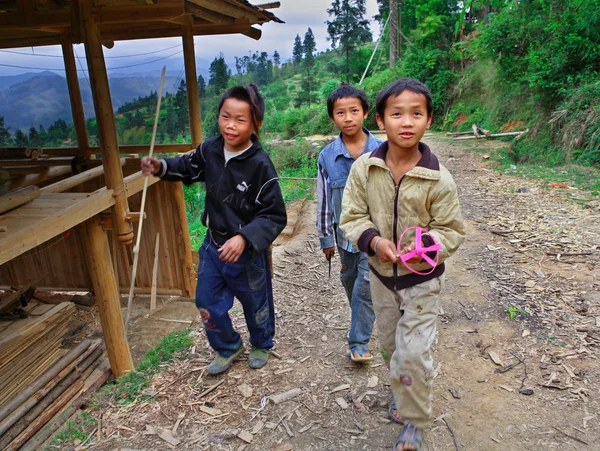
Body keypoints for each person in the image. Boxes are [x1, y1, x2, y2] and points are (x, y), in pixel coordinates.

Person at [339, 78, 465, 451]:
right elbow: (352, 215)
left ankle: (413, 421)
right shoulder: (365, 168)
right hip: (380, 277)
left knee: (412, 351)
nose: (406, 122)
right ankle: (403, 388)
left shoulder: (438, 178)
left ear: (429, 120)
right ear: (380, 120)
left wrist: (424, 246)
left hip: (422, 282)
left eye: (416, 113)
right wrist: (374, 241)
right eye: (397, 114)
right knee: (391, 347)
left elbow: (451, 231)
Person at [141, 84, 287, 375]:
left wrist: (244, 238)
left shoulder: (260, 166)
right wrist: (161, 167)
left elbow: (274, 215)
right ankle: (228, 346)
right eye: (225, 116)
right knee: (206, 301)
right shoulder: (210, 149)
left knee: (255, 301)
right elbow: (188, 166)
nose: (230, 126)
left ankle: (261, 342)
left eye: (240, 120)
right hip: (213, 245)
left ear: (256, 123)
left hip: (245, 253)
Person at [316, 83, 382, 363]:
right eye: (340, 112)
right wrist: (325, 239)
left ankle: (358, 344)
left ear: (365, 113)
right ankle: (363, 322)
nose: (348, 117)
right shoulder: (327, 157)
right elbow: (323, 201)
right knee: (351, 283)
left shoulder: (383, 150)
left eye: (354, 110)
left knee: (366, 286)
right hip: (344, 239)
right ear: (333, 118)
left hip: (377, 237)